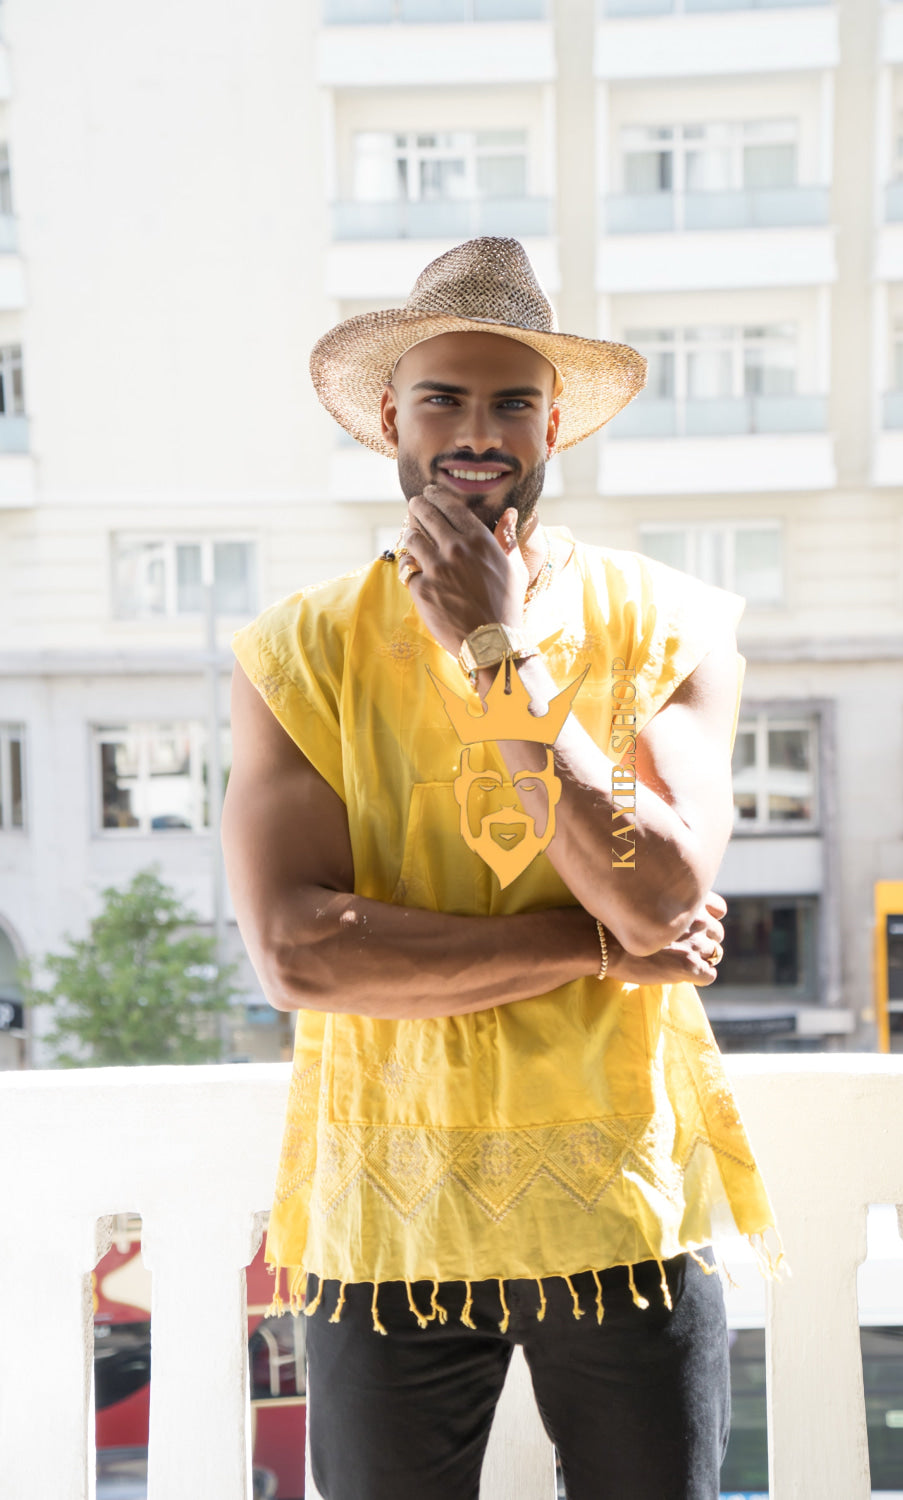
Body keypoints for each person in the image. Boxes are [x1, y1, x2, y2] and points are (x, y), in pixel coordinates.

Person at [222, 236, 787, 1500]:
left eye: (511, 403)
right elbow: (302, 953)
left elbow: (659, 892)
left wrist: (495, 649)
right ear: (388, 417)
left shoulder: (670, 622)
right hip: (386, 1213)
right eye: (443, 398)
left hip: (619, 1206)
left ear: (553, 426)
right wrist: (591, 947)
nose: (478, 432)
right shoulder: (297, 650)